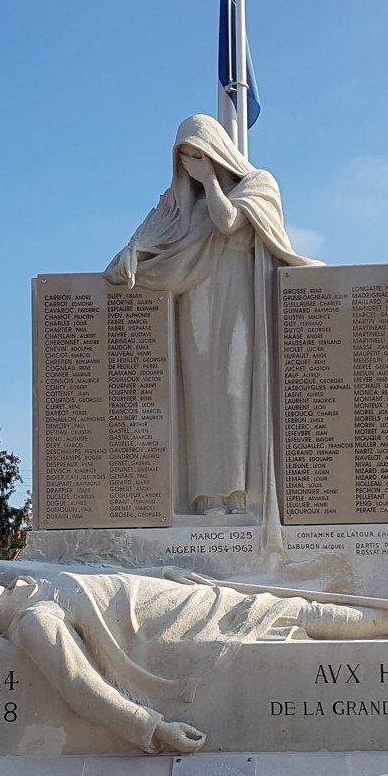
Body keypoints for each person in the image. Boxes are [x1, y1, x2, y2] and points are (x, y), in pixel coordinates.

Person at [0, 556, 388, 754]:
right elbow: (81, 687)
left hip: (166, 597)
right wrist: (151, 728)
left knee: (280, 606)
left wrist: (161, 575)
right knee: (280, 612)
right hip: (166, 627)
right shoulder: (32, 624)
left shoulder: (32, 586)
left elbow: (105, 576)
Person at [105, 114, 316, 515]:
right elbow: (144, 238)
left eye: (197, 154)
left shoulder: (259, 184)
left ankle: (237, 494)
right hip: (195, 299)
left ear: (216, 150)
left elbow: (230, 223)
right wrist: (131, 253)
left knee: (234, 392)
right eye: (182, 157)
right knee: (202, 396)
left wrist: (211, 180)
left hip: (239, 301)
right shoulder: (178, 203)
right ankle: (207, 498)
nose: (189, 164)